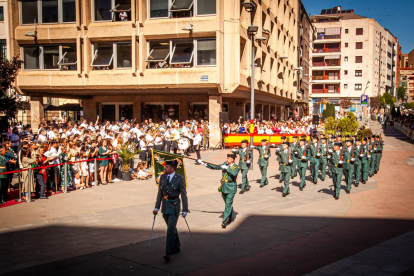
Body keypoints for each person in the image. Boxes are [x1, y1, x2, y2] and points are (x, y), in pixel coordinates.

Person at [153, 160, 188, 262]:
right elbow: (160, 193)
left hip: (174, 206)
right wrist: (156, 207)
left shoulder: (179, 179)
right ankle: (176, 245)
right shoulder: (163, 177)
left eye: (167, 167)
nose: (165, 168)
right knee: (171, 227)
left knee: (170, 230)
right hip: (165, 206)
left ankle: (168, 252)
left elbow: (183, 195)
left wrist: (185, 209)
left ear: (172, 168)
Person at [201, 154, 239, 228]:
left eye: (228, 158)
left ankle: (224, 221)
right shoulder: (225, 164)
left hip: (231, 188)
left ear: (232, 160)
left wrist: (228, 168)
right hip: (224, 187)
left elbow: (234, 173)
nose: (226, 160)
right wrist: (205, 163)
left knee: (228, 204)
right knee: (228, 203)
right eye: (226, 158)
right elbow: (216, 166)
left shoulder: (236, 167)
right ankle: (231, 217)